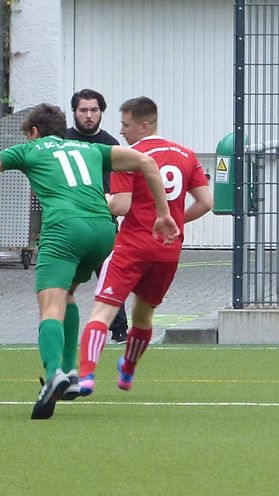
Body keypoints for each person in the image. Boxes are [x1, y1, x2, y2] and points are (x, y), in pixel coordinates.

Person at [0, 103, 179, 420]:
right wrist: (163, 214)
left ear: (33, 132)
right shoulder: (91, 149)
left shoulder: (29, 150)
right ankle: (71, 373)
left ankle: (54, 372)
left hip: (64, 229)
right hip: (102, 231)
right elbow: (146, 162)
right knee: (68, 293)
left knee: (50, 305)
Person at [77, 96, 214, 396]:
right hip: (167, 250)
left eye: (125, 125)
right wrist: (173, 221)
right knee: (143, 315)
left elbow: (121, 205)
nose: (121, 131)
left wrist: (91, 202)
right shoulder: (186, 155)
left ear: (144, 125)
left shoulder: (130, 157)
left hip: (132, 246)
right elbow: (206, 202)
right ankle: (127, 369)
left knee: (102, 311)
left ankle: (85, 375)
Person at [65, 89, 129, 342]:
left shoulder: (111, 144)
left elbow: (120, 185)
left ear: (101, 112)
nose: (89, 116)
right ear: (74, 112)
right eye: (83, 110)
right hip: (69, 222)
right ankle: (58, 325)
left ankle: (119, 329)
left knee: (111, 276)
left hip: (103, 221)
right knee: (63, 278)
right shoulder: (61, 141)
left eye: (94, 110)